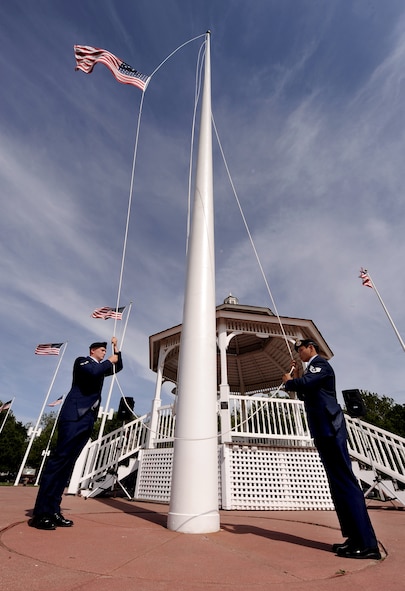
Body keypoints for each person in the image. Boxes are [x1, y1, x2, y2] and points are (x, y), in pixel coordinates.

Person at [282, 338, 381, 560]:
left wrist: (290, 382)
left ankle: (367, 545)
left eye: (301, 350)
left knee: (345, 482)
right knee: (337, 486)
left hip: (330, 428)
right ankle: (354, 539)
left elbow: (305, 385)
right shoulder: (310, 371)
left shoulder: (321, 364)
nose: (299, 354)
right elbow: (307, 392)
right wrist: (297, 376)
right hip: (322, 430)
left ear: (311, 347)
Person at [29, 337, 123, 530]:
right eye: (102, 350)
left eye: (106, 351)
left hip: (87, 418)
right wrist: (109, 361)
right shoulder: (83, 361)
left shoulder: (102, 366)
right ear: (93, 350)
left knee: (67, 465)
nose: (104, 353)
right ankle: (41, 513)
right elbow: (94, 371)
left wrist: (117, 351)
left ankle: (53, 510)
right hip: (74, 416)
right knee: (59, 461)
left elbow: (116, 368)